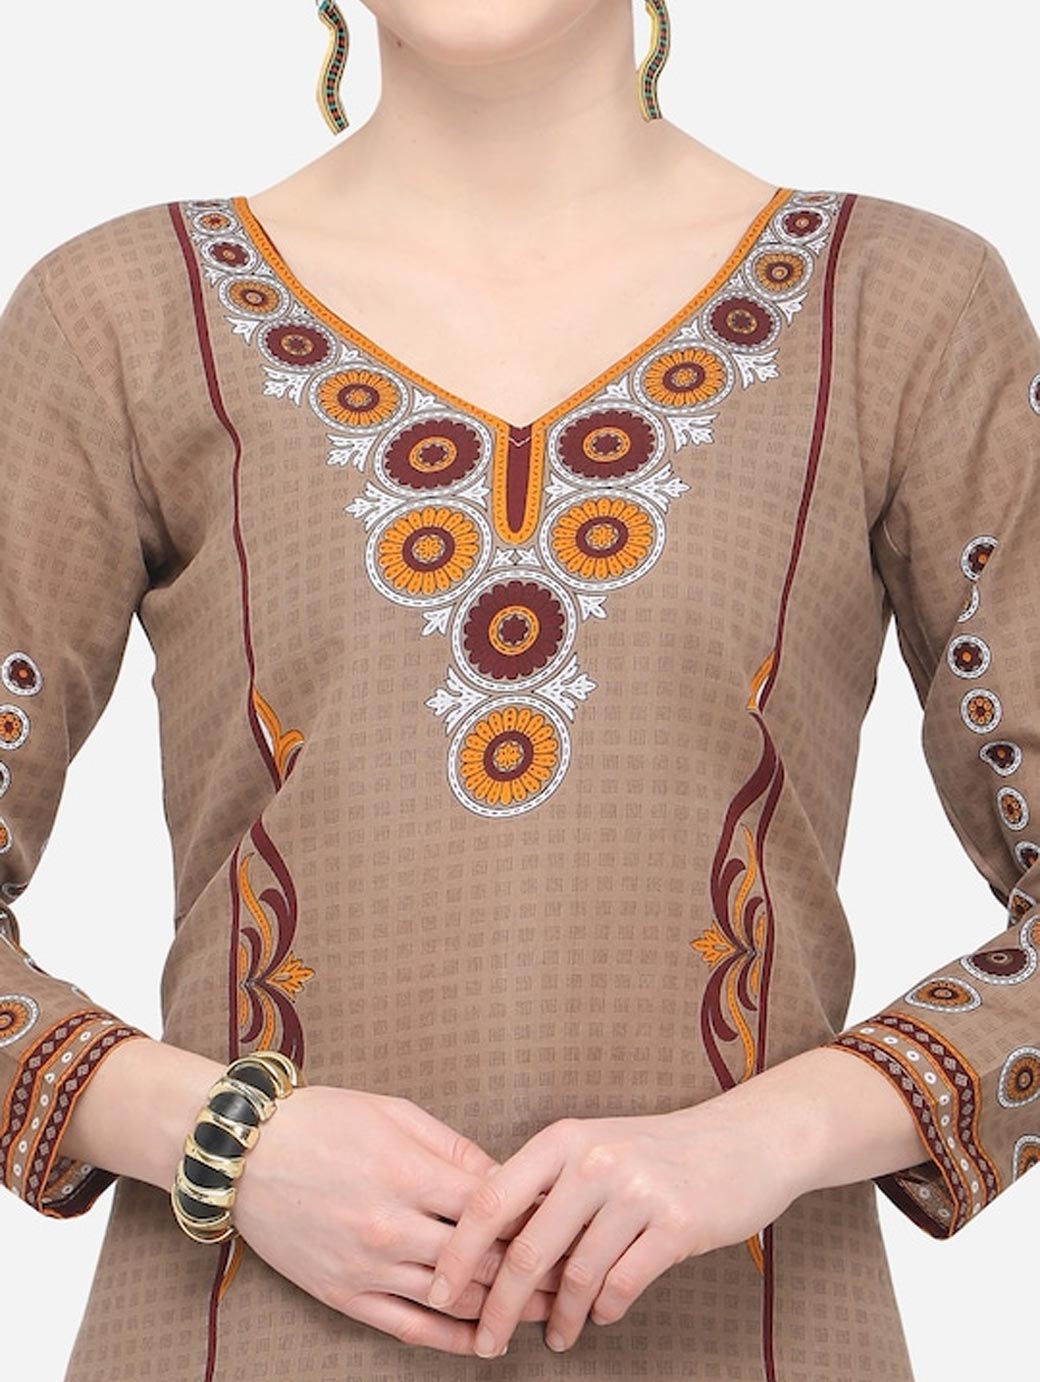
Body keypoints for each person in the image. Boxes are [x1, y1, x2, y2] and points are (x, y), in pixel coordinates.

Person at [2, 2, 1038, 1378]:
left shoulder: (901, 309)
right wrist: (227, 1140)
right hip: (237, 1337)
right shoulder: (119, 319)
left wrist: (772, 1136)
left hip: (750, 1335)